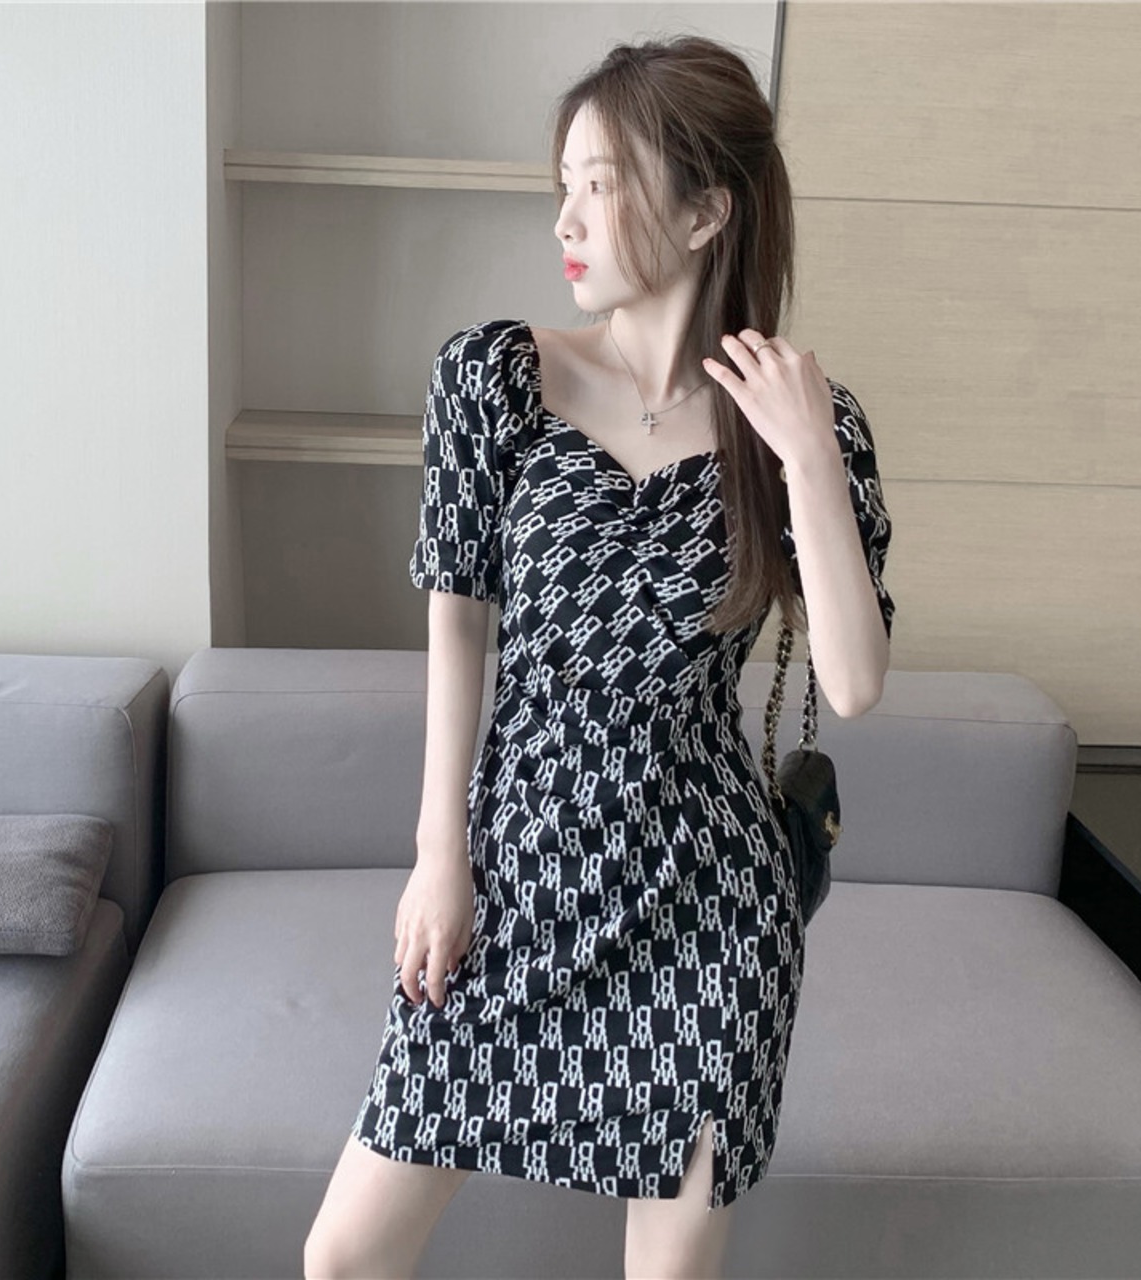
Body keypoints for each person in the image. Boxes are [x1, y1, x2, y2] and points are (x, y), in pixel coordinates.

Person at [304, 33, 895, 1280]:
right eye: (560, 184)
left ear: (703, 212)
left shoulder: (807, 424)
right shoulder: (493, 378)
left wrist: (804, 456)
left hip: (707, 907)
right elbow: (456, 624)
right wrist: (438, 854)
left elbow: (851, 681)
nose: (562, 219)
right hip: (515, 873)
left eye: (598, 184)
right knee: (344, 1256)